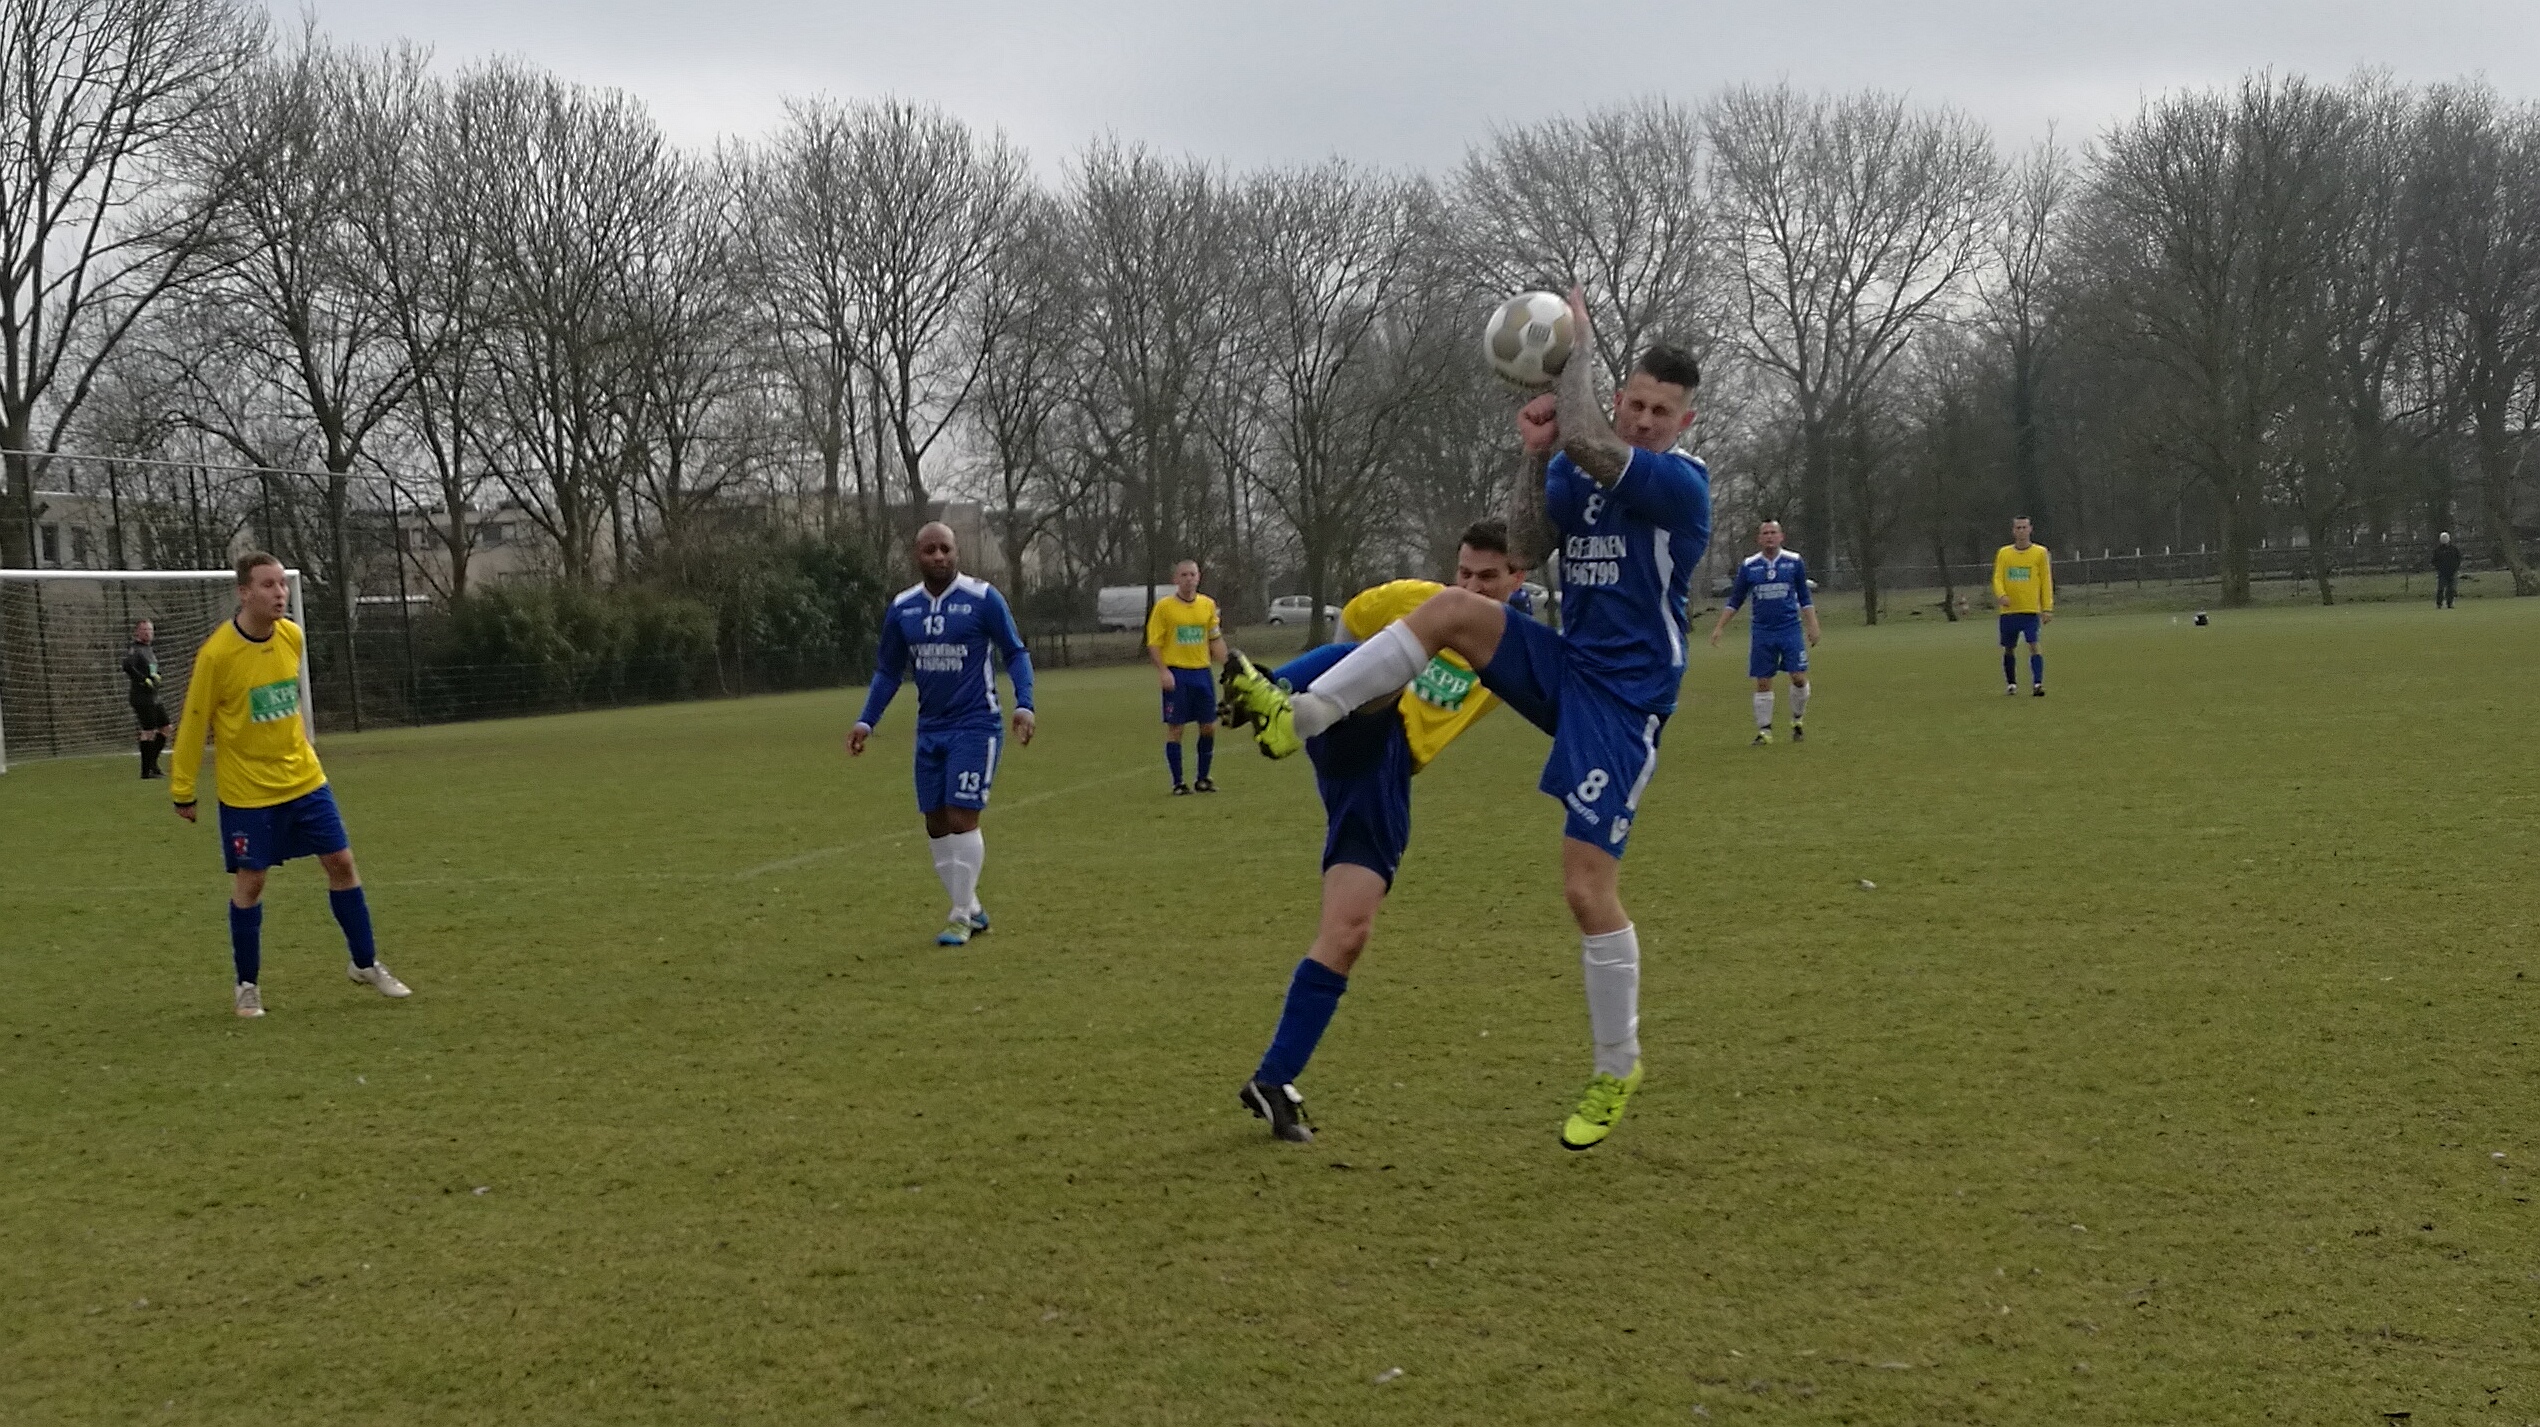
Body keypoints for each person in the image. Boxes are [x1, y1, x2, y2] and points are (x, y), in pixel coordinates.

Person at [1240, 288, 1710, 1151]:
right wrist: (1534, 455)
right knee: (1457, 609)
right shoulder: (1583, 462)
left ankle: (1617, 1065)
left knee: (1584, 887)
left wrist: (1578, 354)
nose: (1644, 420)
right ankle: (1308, 709)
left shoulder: (1678, 484)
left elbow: (1595, 445)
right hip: (1568, 662)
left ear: (1683, 421)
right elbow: (1526, 540)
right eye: (1634, 404)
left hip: (1625, 701)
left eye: (1660, 412)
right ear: (1621, 400)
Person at [1218, 519, 1530, 1143]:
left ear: (1518, 579)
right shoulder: (1421, 600)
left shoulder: (1522, 648)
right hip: (1351, 728)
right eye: (1463, 573)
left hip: (1384, 779)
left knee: (1348, 931)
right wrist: (1322, 688)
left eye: (1487, 578)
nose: (1469, 587)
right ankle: (1277, 693)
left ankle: (1273, 1080)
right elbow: (1357, 623)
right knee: (1378, 678)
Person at [168, 553, 409, 1018]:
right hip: (248, 792)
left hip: (304, 779)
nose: (280, 593)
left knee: (341, 862)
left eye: (282, 584)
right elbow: (195, 722)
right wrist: (183, 789)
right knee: (251, 883)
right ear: (244, 593)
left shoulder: (292, 637)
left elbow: (289, 709)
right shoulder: (217, 655)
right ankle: (247, 986)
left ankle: (366, 964)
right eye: (268, 585)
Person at [850, 522, 1037, 947]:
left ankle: (958, 915)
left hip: (977, 725)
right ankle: (971, 908)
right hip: (930, 728)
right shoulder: (902, 608)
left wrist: (1024, 703)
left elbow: (1015, 652)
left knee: (960, 815)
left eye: (945, 549)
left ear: (957, 552)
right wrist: (866, 720)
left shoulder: (983, 599)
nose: (938, 556)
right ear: (917, 556)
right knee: (935, 822)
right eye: (929, 550)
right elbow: (887, 671)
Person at [1708, 520, 1820, 745]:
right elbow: (1736, 599)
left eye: (1773, 532)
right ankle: (1764, 731)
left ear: (1781, 536)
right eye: (1765, 533)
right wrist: (1720, 627)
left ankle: (1797, 720)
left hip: (1789, 629)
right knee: (1762, 682)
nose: (1769, 536)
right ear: (1759, 539)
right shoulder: (1750, 566)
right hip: (1762, 631)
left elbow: (1804, 597)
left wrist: (1813, 625)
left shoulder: (1794, 562)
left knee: (1798, 678)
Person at [1146, 560, 1226, 794]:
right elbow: (1154, 643)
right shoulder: (1164, 607)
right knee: (1176, 728)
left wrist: (1229, 664)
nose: (1189, 579)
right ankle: (1178, 782)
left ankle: (1203, 778)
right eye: (1184, 575)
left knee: (1209, 726)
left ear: (1199, 577)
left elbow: (1214, 638)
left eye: (1192, 574)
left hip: (1202, 672)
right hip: (1177, 673)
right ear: (1176, 579)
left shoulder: (1207, 605)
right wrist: (1163, 671)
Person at [1992, 517, 2053, 696]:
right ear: (2013, 531)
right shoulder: (2004, 553)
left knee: (2034, 644)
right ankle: (2011, 683)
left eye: (2024, 527)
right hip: (2009, 611)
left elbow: (2046, 581)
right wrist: (2001, 594)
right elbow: (1997, 577)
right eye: (2018, 528)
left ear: (2030, 529)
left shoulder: (2040, 553)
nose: (2021, 531)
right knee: (2009, 647)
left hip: (2030, 610)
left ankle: (2037, 684)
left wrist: (2047, 608)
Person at [123, 619, 171, 778]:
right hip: (141, 696)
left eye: (150, 630)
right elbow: (128, 666)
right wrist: (143, 680)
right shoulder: (135, 649)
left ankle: (153, 765)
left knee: (165, 727)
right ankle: (146, 771)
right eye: (144, 630)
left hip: (154, 696)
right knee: (148, 731)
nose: (148, 633)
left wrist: (156, 676)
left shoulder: (148, 649)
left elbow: (151, 669)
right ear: (137, 632)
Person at [2433, 531, 2461, 609]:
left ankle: (2450, 603)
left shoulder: (2454, 549)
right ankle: (2439, 604)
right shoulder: (2438, 550)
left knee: (2451, 589)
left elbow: (2458, 559)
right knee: (2441, 589)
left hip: (2452, 572)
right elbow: (2434, 561)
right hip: (2442, 573)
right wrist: (2439, 569)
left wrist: (2455, 568)